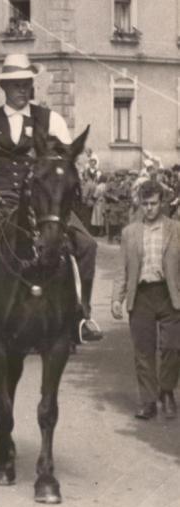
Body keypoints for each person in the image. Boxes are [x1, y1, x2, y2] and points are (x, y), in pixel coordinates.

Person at [0, 53, 102, 344]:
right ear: (4, 87)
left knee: (88, 245)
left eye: (26, 84)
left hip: (41, 204)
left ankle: (83, 315)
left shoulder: (50, 119)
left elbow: (66, 158)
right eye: (16, 84)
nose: (22, 90)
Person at [111, 180, 180, 420]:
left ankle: (167, 389)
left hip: (169, 295)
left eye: (153, 204)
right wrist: (116, 299)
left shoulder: (176, 229)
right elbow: (122, 269)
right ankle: (149, 401)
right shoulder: (130, 232)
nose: (149, 208)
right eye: (145, 204)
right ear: (140, 203)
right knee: (143, 351)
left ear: (162, 203)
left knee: (173, 347)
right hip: (141, 296)